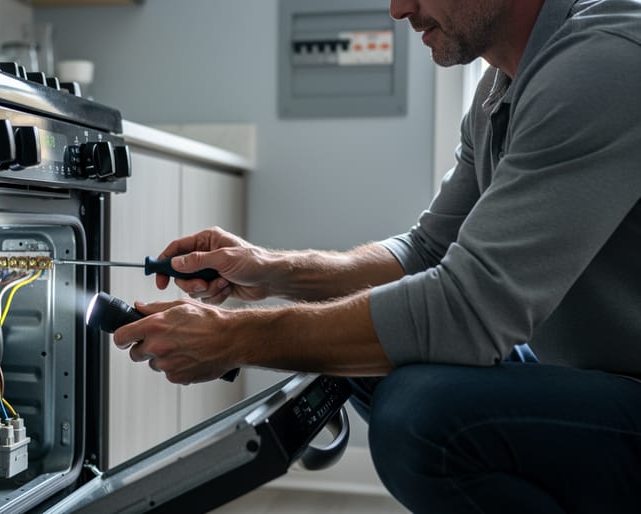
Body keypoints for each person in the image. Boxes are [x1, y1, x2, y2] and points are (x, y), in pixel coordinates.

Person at [113, 0, 641, 512]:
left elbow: (467, 310)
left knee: (426, 416)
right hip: (595, 377)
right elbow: (426, 251)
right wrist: (271, 271)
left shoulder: (601, 59)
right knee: (376, 361)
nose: (398, 9)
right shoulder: (499, 90)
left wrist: (232, 338)